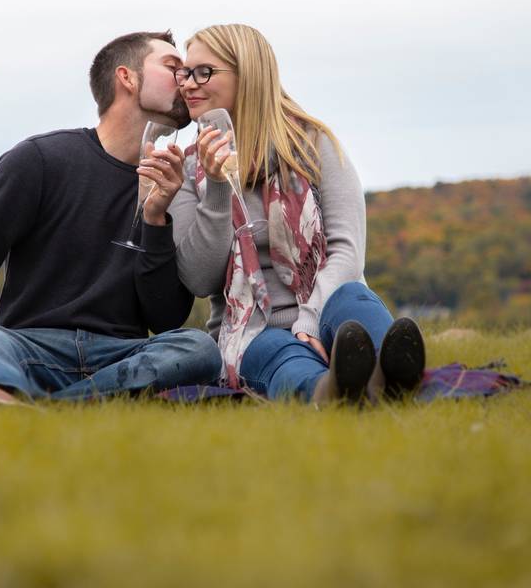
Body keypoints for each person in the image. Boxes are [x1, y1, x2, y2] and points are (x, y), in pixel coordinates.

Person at [0, 30, 221, 405]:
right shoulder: (40, 160)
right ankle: (24, 392)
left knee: (198, 347)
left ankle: (24, 402)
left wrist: (154, 220)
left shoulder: (172, 182)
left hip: (119, 356)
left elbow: (164, 318)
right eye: (172, 67)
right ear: (127, 78)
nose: (185, 80)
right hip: (29, 348)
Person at [168, 24, 425, 405]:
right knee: (278, 353)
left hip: (327, 306)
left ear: (248, 75)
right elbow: (200, 279)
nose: (189, 84)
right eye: (185, 73)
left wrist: (310, 320)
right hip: (252, 329)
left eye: (203, 72)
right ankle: (331, 392)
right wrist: (219, 186)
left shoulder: (313, 144)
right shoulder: (189, 170)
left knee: (354, 298)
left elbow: (346, 251)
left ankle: (392, 376)